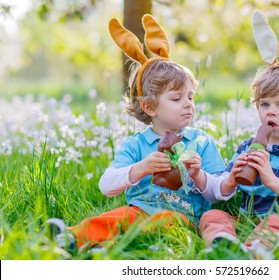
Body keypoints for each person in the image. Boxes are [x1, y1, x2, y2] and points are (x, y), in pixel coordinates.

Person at [45, 14, 225, 250]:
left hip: (184, 218)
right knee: (117, 217)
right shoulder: (136, 145)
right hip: (139, 210)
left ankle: (109, 247)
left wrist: (200, 175)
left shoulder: (200, 142)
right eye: (176, 98)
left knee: (163, 222)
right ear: (149, 107)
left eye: (190, 96)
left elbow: (222, 192)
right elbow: (106, 186)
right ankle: (69, 239)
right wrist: (142, 168)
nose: (188, 103)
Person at [199, 10, 279, 258]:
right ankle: (222, 242)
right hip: (248, 219)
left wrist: (271, 179)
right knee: (213, 215)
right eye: (265, 104)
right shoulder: (247, 148)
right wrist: (230, 180)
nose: (271, 112)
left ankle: (252, 253)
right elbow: (218, 193)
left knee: (274, 223)